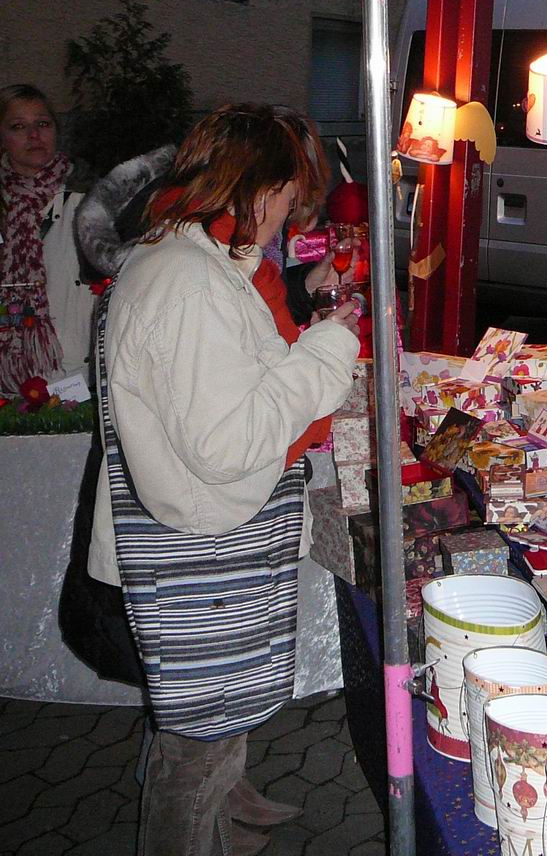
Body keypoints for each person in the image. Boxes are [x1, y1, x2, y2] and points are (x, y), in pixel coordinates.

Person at [87, 104, 360, 856]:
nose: (285, 217)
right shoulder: (187, 279)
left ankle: (218, 831)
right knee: (196, 749)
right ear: (257, 186)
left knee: (208, 729)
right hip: (201, 549)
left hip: (204, 540)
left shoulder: (192, 260)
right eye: (286, 196)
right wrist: (330, 347)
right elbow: (229, 441)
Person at [0, 84, 95, 393]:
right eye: (18, 126)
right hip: (10, 382)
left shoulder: (89, 200)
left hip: (80, 377)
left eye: (43, 123)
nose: (34, 135)